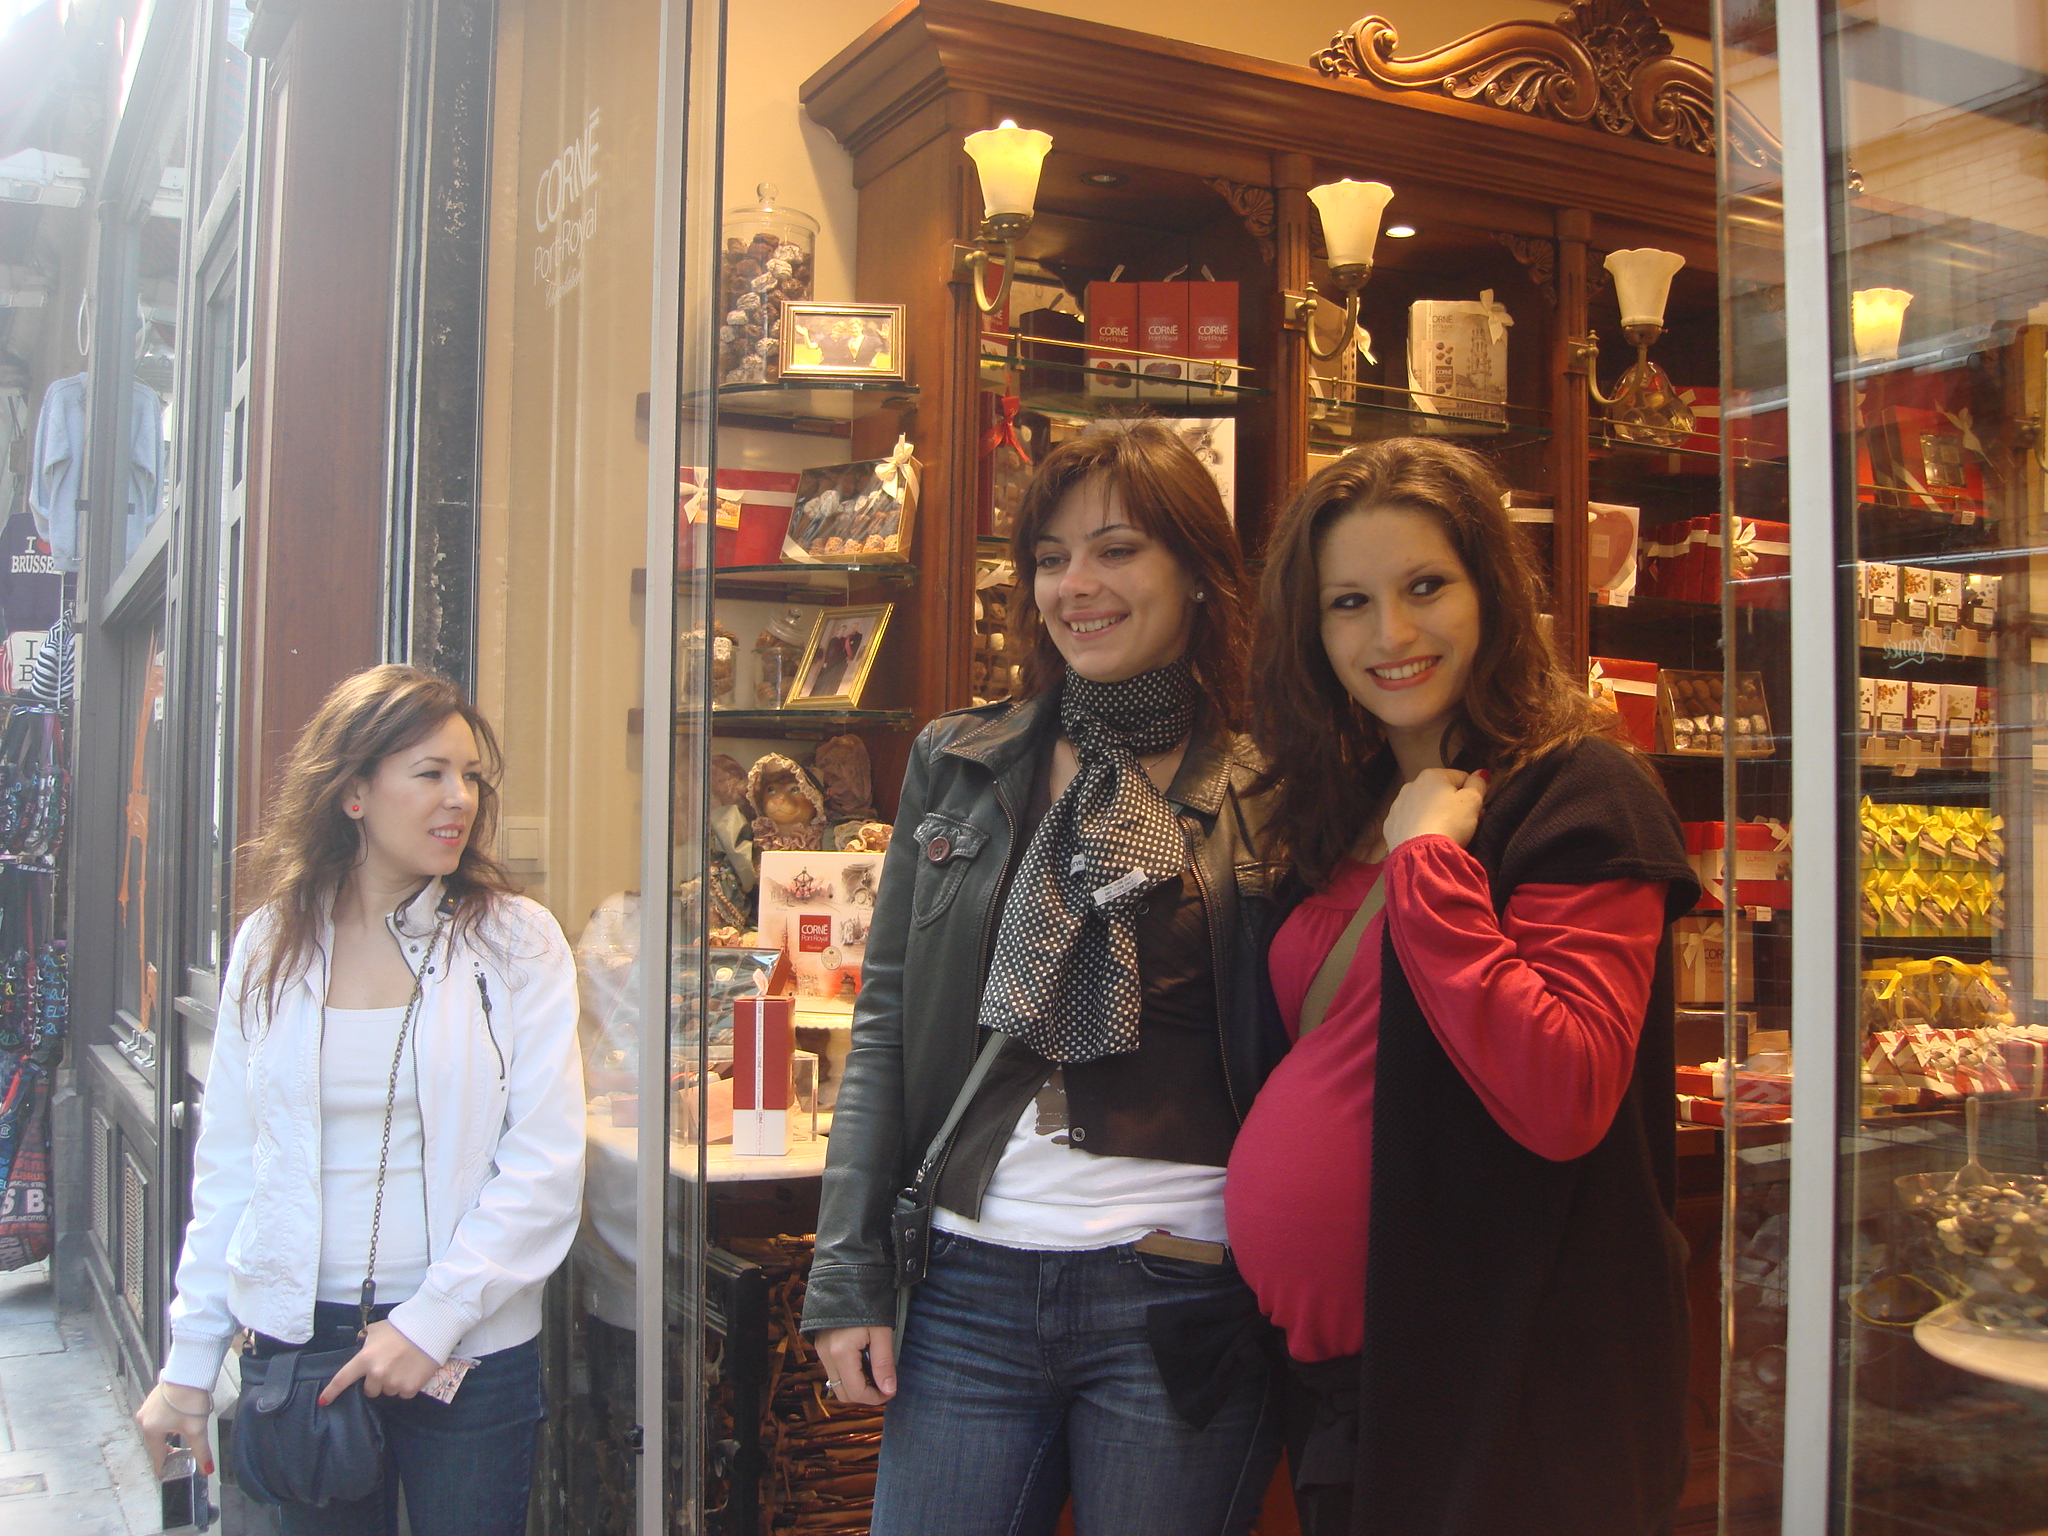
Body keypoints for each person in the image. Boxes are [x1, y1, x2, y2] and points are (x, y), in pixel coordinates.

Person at [804, 419, 1285, 1536]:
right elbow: (886, 1026)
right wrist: (847, 1275)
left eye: (1117, 550)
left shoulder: (1274, 785)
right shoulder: (960, 761)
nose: (1077, 586)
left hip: (1184, 1289)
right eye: (1051, 558)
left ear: (1197, 574)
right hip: (965, 1285)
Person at [1225, 439, 1700, 1536]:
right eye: (1349, 603)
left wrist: (1430, 866)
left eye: (1426, 586)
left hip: (1510, 1395)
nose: (1390, 634)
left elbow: (1564, 1088)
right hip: (1350, 1392)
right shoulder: (1347, 803)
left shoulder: (1582, 793)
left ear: (1491, 591)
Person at [135, 665, 584, 1536]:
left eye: (470, 776)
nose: (459, 798)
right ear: (352, 792)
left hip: (469, 1352)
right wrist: (188, 1363)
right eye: (430, 773)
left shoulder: (513, 941)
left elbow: (545, 1164)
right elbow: (231, 1168)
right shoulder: (271, 943)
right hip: (300, 1350)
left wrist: (430, 1323)